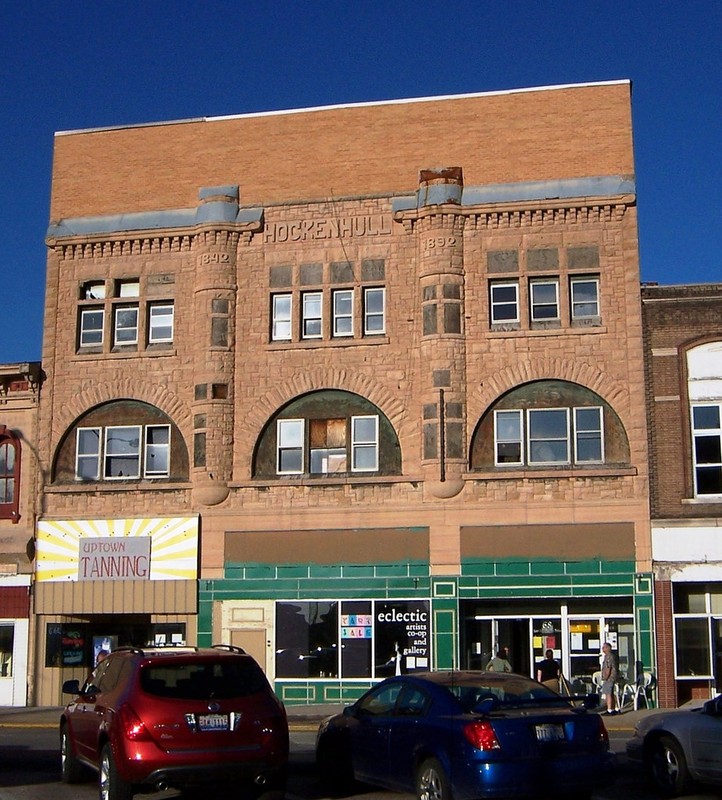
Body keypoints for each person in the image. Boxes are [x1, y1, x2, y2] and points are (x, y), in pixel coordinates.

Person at [600, 642, 619, 715]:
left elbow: (608, 668)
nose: (603, 649)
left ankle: (610, 709)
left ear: (608, 648)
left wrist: (605, 677)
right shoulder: (611, 656)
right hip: (612, 678)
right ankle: (613, 708)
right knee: (610, 693)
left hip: (609, 678)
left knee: (608, 694)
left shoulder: (608, 656)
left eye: (604, 647)